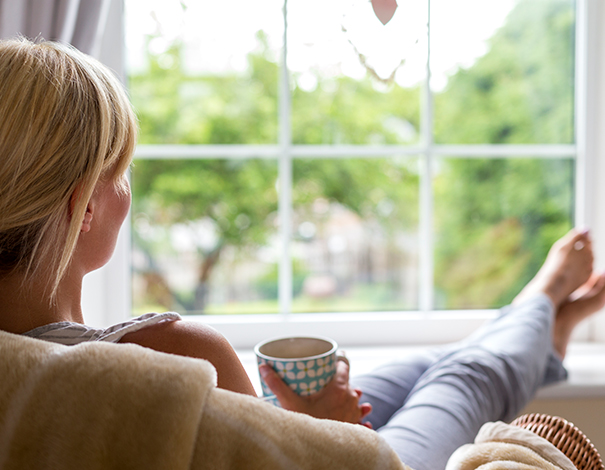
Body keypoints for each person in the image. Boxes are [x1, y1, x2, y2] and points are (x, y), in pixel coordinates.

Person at [0, 38, 603, 470]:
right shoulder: (173, 358)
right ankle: (542, 303)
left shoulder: (24, 375)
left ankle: (540, 331)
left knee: (428, 364)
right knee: (465, 375)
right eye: (121, 172)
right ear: (82, 206)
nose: (127, 191)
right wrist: (329, 432)